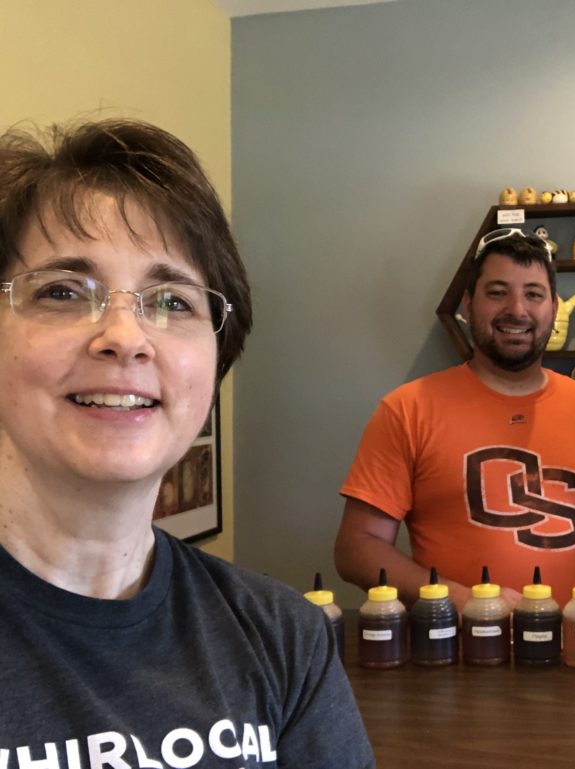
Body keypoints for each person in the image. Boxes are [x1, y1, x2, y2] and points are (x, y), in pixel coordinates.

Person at [0, 118, 374, 765]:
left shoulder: (284, 637)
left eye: (171, 300)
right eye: (63, 291)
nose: (125, 335)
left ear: (216, 360)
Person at [336, 228, 575, 609]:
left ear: (554, 310)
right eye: (497, 292)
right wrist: (459, 601)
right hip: (457, 652)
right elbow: (357, 548)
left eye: (534, 294)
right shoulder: (407, 410)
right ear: (467, 305)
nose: (517, 310)